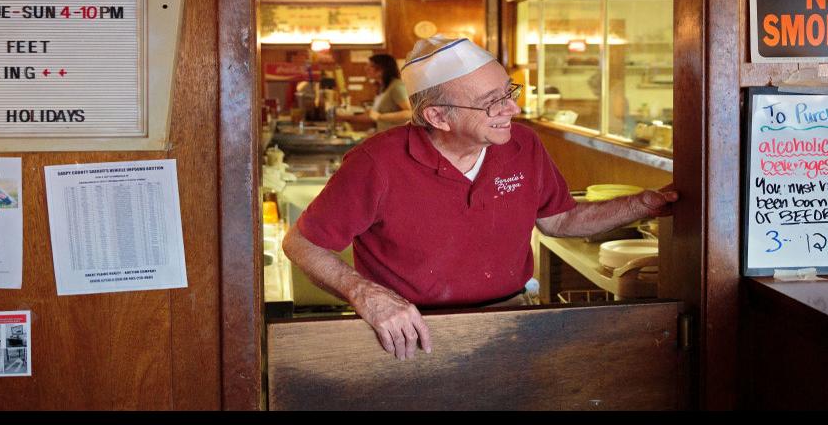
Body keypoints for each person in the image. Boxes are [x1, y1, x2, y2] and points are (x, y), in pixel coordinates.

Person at [282, 35, 677, 360]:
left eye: (509, 92)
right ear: (438, 117)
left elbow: (560, 220)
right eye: (493, 102)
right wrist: (365, 294)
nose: (513, 108)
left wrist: (646, 204)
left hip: (511, 325)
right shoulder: (376, 162)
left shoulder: (523, 144)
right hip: (409, 334)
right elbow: (301, 242)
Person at [365, 53, 412, 131]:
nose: (366, 68)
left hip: (395, 137)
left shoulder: (396, 86)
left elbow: (410, 113)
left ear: (382, 69)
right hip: (385, 135)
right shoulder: (383, 87)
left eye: (371, 66)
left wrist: (380, 117)